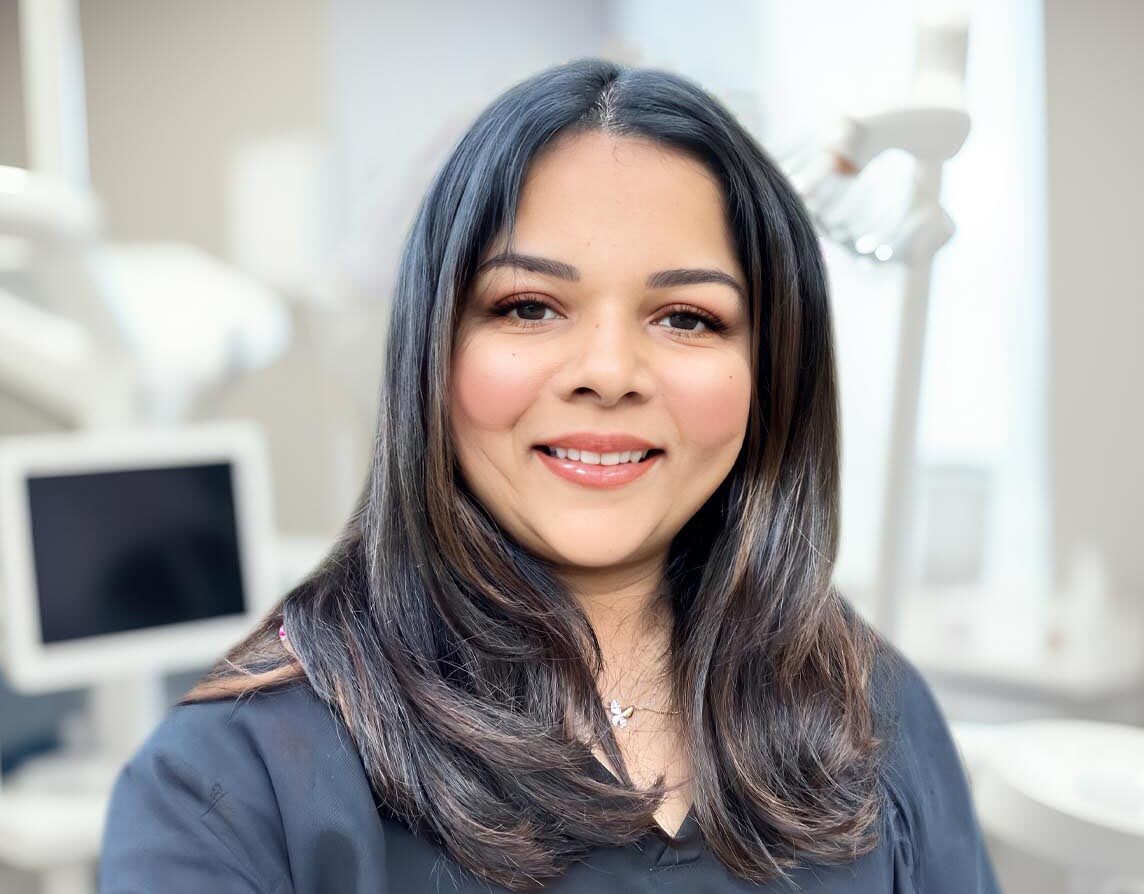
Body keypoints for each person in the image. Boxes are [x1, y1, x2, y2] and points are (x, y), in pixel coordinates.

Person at [98, 57, 1003, 893]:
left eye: (687, 317)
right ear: (433, 352)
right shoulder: (231, 784)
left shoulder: (870, 711)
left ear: (771, 372)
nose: (607, 371)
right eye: (529, 306)